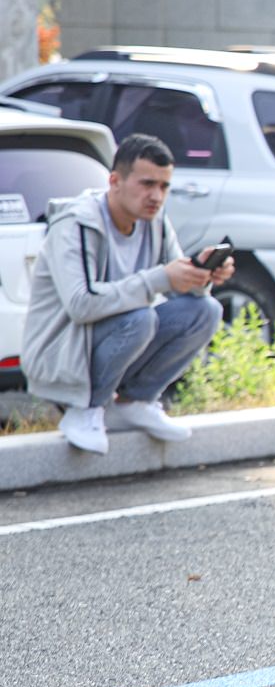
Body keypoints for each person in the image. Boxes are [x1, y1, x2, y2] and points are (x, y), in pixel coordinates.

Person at [23, 134, 233, 453]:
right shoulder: (77, 223)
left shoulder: (155, 221)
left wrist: (201, 275)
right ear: (115, 181)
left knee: (205, 310)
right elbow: (81, 304)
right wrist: (159, 278)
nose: (156, 196)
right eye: (147, 184)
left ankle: (135, 402)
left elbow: (177, 287)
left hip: (111, 339)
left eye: (164, 186)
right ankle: (86, 411)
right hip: (64, 353)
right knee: (140, 318)